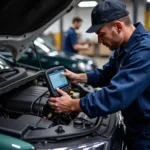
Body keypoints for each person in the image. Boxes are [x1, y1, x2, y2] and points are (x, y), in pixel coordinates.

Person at [50, 0, 150, 149]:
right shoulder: (124, 46)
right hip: (135, 125)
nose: (99, 41)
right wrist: (79, 77)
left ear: (118, 26)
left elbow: (117, 94)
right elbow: (106, 74)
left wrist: (73, 105)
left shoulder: (144, 51)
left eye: (101, 34)